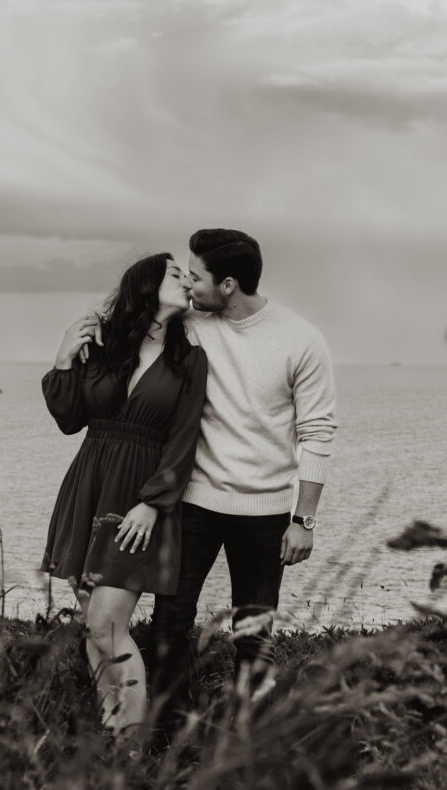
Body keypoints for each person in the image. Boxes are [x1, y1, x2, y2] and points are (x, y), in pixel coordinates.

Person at [150, 228, 337, 717]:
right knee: (170, 619)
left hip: (265, 513)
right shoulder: (189, 325)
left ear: (228, 285)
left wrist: (304, 520)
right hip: (193, 503)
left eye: (196, 277)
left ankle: (246, 743)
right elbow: (133, 328)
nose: (189, 286)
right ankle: (167, 734)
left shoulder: (301, 340)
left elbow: (317, 433)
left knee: (253, 636)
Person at [40, 252, 208, 737]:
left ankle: (133, 753)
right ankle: (115, 742)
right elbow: (70, 419)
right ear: (145, 286)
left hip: (139, 499)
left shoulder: (188, 361)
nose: (186, 280)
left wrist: (154, 503)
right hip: (88, 486)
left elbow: (184, 439)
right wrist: (64, 357)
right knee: (94, 630)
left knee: (107, 621)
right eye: (175, 274)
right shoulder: (105, 346)